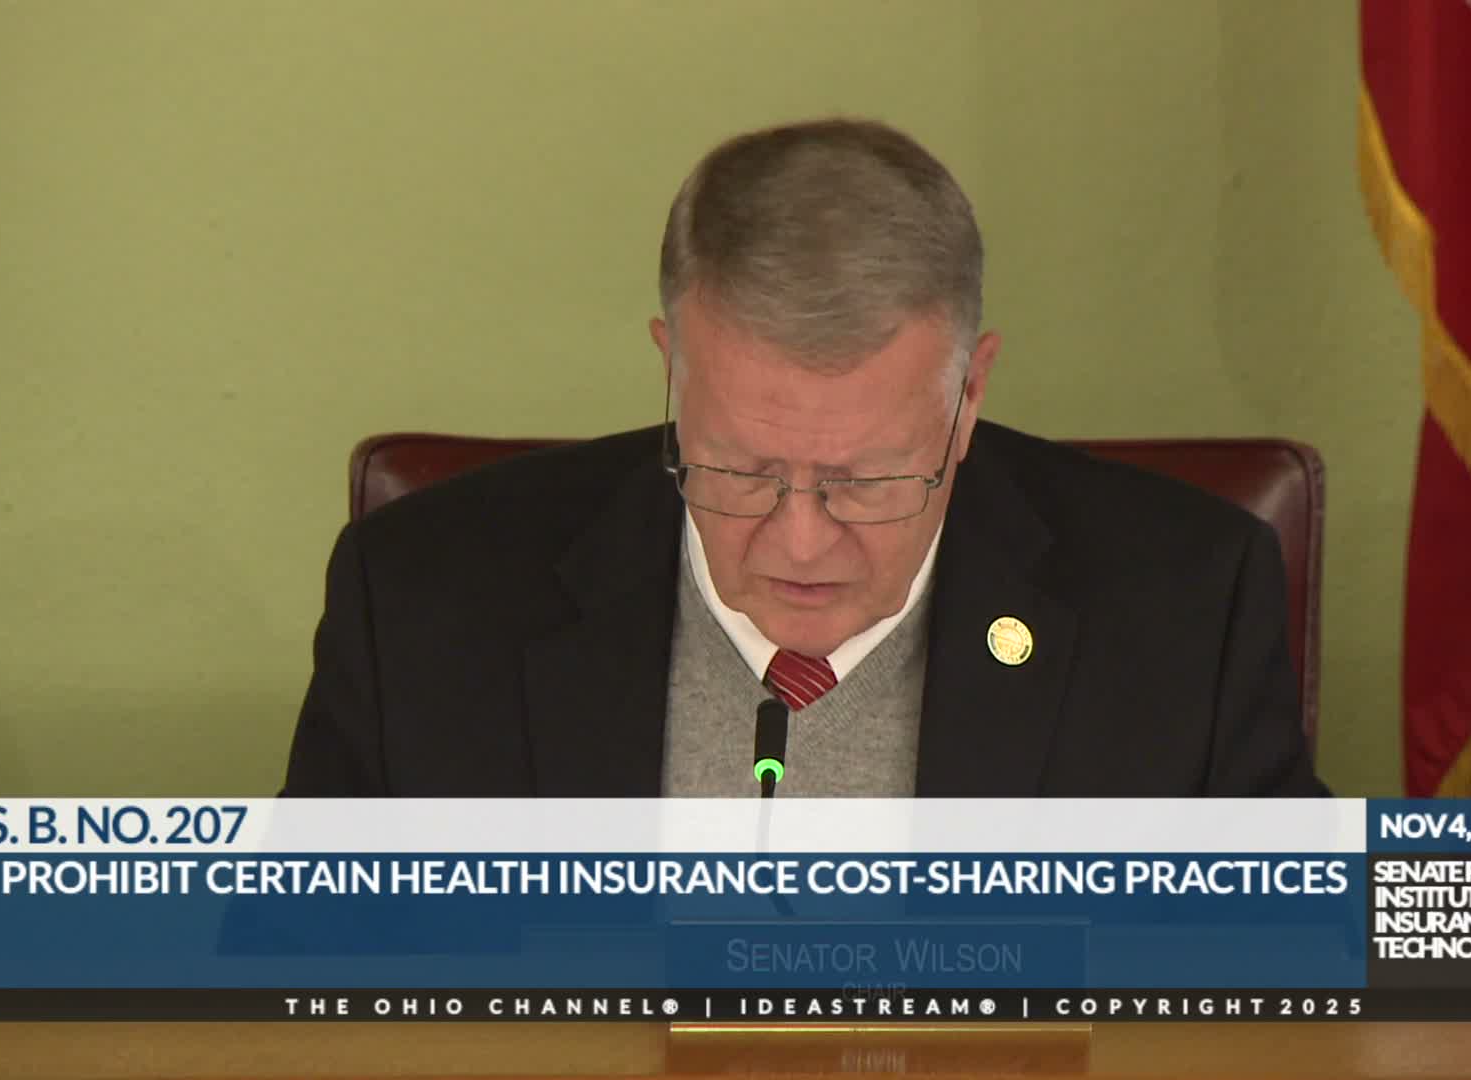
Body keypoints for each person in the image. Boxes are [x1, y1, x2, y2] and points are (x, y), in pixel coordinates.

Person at [282, 118, 1325, 798]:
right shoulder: (420, 598)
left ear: (969, 398)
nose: (800, 542)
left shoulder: (1185, 609)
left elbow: (1298, 968)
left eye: (865, 481)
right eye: (741, 470)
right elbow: (295, 973)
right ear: (672, 372)